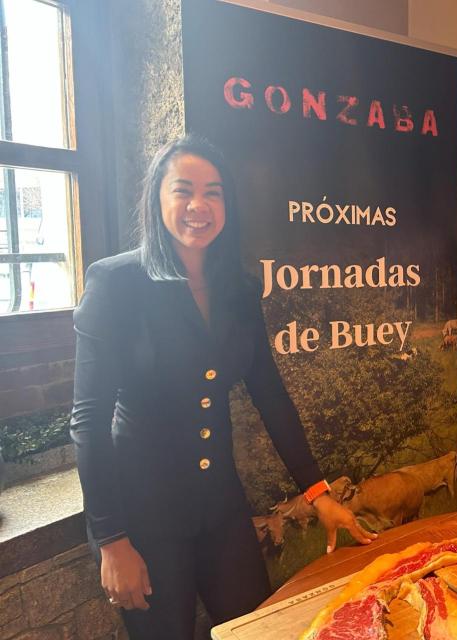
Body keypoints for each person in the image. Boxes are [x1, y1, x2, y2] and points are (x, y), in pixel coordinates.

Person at [70, 135, 375, 638]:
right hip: (144, 517)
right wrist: (110, 540)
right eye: (183, 190)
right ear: (158, 198)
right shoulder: (115, 284)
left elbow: (270, 394)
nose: (199, 206)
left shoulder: (238, 286)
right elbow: (87, 421)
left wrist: (318, 492)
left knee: (257, 627)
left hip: (221, 509)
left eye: (213, 192)